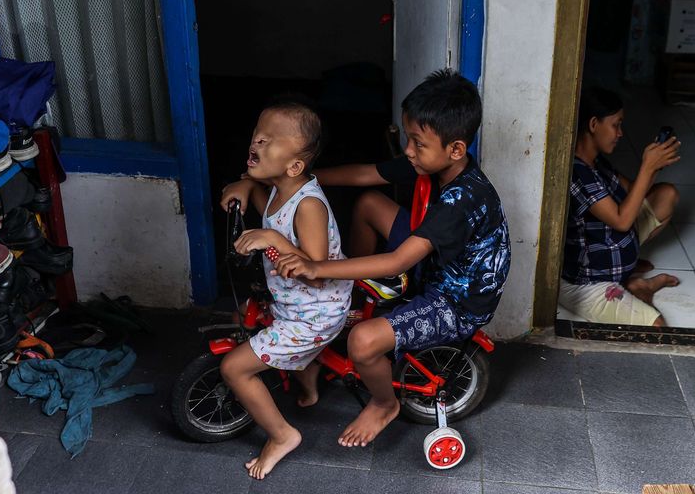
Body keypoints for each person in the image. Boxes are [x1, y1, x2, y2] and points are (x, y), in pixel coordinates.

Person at [272, 70, 510, 449]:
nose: (409, 151)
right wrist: (294, 178)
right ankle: (350, 296)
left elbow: (398, 261)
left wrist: (316, 268)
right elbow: (365, 175)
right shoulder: (433, 162)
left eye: (417, 143)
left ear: (456, 149)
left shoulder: (462, 199)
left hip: (456, 298)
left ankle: (384, 404)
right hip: (437, 259)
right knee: (369, 204)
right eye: (408, 139)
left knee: (364, 342)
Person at [217, 102, 353, 480]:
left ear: (295, 166)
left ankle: (281, 435)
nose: (256, 141)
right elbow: (264, 202)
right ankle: (307, 378)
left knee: (234, 368)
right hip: (294, 303)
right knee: (243, 314)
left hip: (315, 313)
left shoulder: (309, 205)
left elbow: (316, 273)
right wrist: (246, 184)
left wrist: (271, 237)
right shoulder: (280, 188)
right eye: (257, 135)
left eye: (269, 140)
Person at [559, 86, 682, 327]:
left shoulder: (596, 162)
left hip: (610, 253)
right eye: (616, 125)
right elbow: (622, 221)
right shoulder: (577, 173)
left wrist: (653, 167)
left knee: (666, 195)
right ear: (594, 124)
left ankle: (630, 278)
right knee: (656, 326)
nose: (620, 133)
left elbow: (635, 192)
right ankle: (634, 286)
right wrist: (646, 167)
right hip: (589, 282)